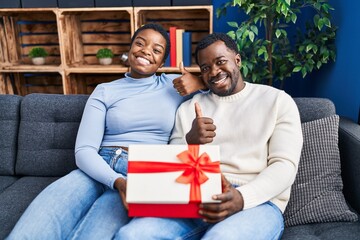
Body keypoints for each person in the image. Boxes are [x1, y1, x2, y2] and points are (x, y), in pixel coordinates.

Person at [7, 23, 205, 240]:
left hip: (138, 170)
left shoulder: (175, 85)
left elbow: (222, 81)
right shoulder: (105, 90)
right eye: (140, 43)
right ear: (129, 49)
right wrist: (116, 181)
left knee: (93, 234)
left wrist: (198, 80)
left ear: (162, 61)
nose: (146, 50)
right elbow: (84, 150)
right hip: (95, 166)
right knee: (38, 223)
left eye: (156, 50)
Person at [115, 33, 303, 239]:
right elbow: (172, 172)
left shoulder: (277, 101)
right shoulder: (188, 109)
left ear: (237, 60)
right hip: (194, 199)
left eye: (221, 62)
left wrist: (241, 197)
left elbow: (284, 165)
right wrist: (191, 142)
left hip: (256, 203)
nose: (214, 72)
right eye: (205, 68)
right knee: (131, 235)